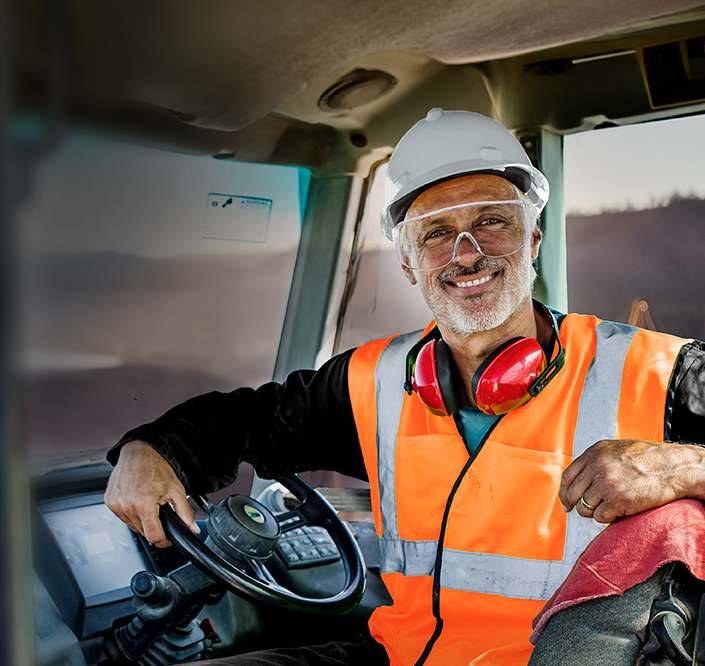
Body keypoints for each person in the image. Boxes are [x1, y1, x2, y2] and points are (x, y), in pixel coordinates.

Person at [105, 109, 705, 666]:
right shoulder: (375, 381)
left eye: (492, 221)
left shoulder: (659, 371)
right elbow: (249, 420)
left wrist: (680, 468)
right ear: (408, 263)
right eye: (435, 232)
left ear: (534, 237)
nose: (466, 254)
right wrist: (153, 448)